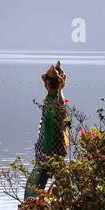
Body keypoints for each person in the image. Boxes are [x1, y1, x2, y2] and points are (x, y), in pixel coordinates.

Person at [28, 62, 70, 198]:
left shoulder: (53, 102)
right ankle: (64, 195)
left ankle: (36, 197)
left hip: (49, 147)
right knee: (59, 172)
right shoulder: (57, 98)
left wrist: (45, 150)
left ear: (48, 85)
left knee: (44, 171)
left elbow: (49, 128)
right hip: (57, 146)